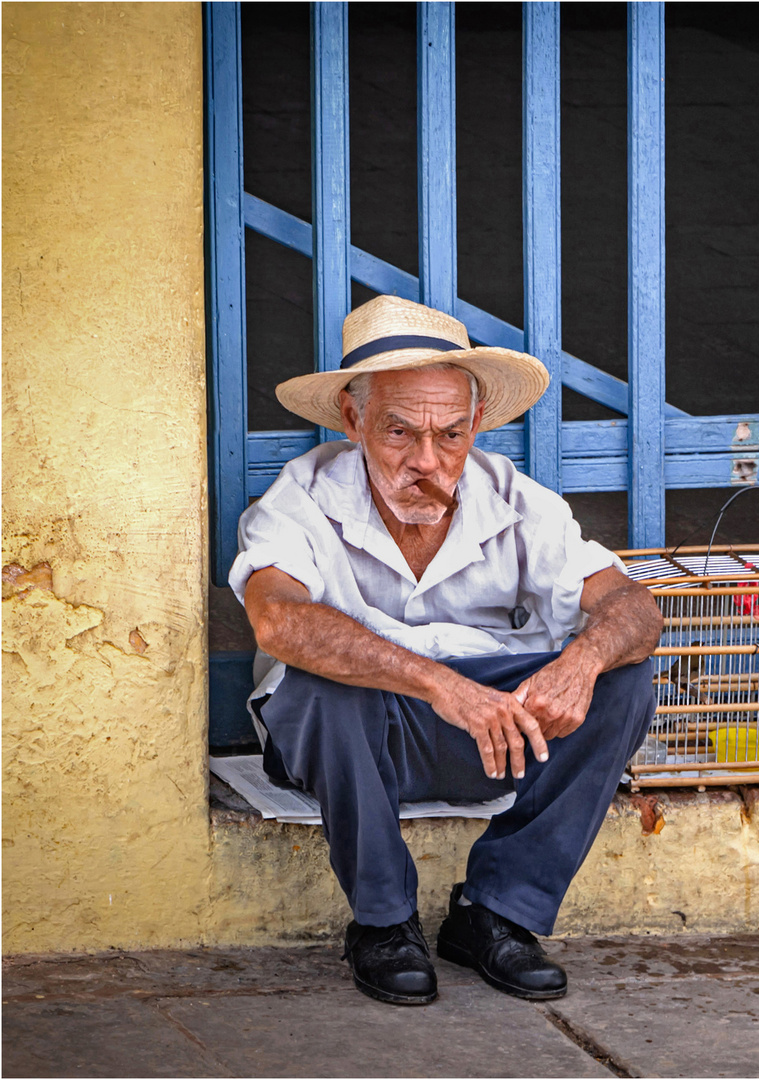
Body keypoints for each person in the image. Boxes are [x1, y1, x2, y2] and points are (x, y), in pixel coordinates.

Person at [231, 295, 663, 1006]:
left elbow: (634, 607)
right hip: (358, 740)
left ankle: (498, 913)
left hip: (490, 737)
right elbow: (278, 621)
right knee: (318, 687)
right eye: (399, 432)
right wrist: (437, 684)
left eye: (451, 435)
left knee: (625, 680)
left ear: (478, 426)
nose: (426, 461)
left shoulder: (518, 502)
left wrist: (579, 663)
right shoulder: (300, 499)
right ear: (352, 418)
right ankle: (383, 923)